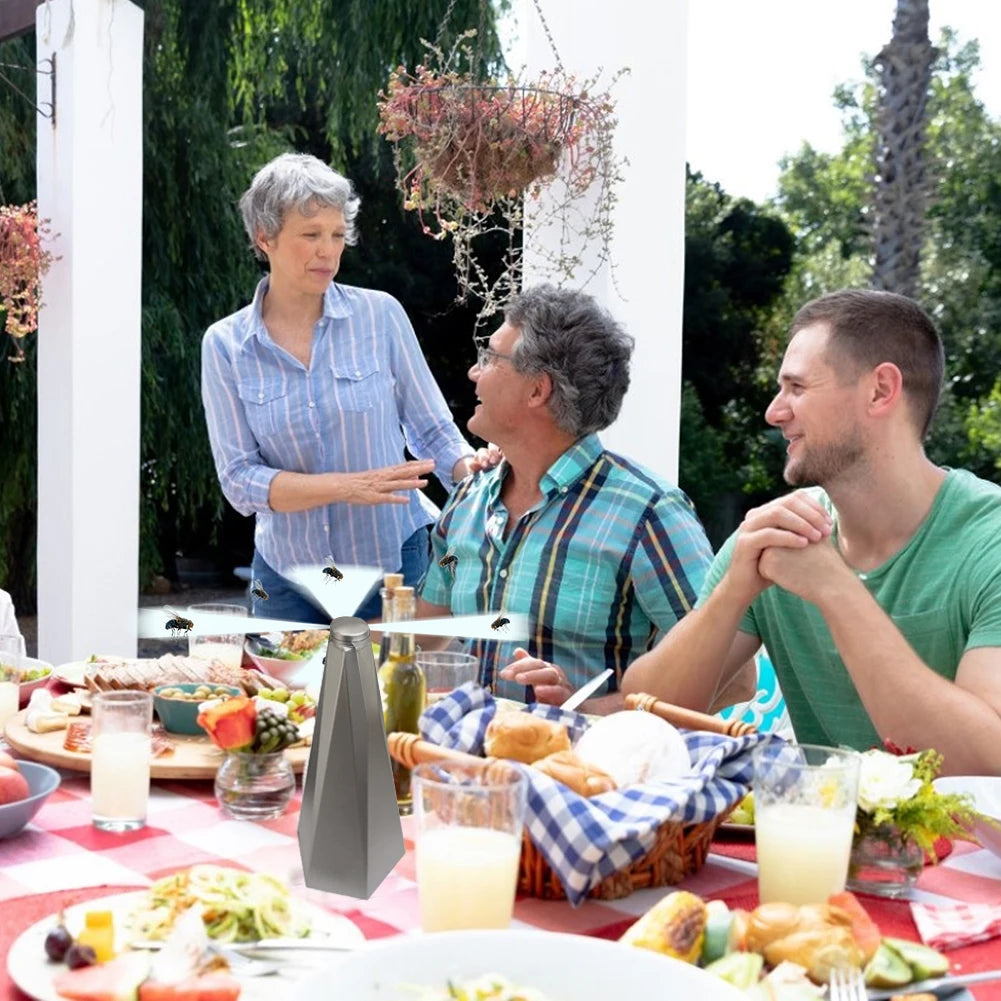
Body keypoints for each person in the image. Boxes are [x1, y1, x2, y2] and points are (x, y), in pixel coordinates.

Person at [623, 288, 1001, 775]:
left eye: (797, 388)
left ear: (881, 390)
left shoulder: (988, 540)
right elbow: (643, 714)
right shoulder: (776, 539)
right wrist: (732, 594)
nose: (774, 412)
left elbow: (986, 766)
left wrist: (835, 588)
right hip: (819, 841)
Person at [418, 284, 723, 712]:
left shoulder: (649, 515)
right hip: (459, 763)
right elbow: (426, 627)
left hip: (583, 772)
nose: (474, 372)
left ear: (537, 391)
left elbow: (731, 678)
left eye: (489, 358)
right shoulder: (467, 502)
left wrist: (585, 711)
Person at [202, 153, 478, 622]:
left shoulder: (381, 316)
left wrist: (477, 481)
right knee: (284, 697)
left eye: (336, 234)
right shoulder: (226, 345)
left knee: (391, 693)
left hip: (395, 567)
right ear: (263, 237)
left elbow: (432, 431)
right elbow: (240, 481)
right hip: (287, 582)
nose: (328, 251)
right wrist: (346, 487)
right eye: (310, 235)